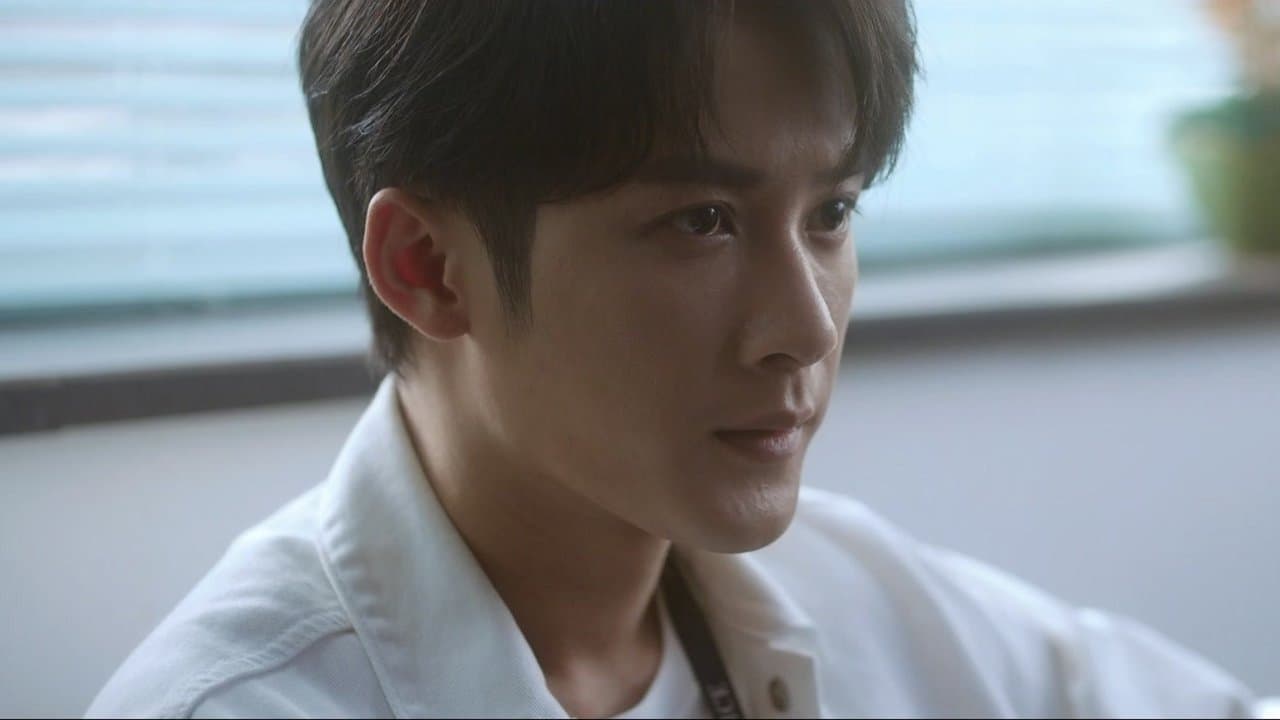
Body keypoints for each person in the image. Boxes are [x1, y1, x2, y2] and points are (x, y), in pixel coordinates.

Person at [88, 1, 1272, 717]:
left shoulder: (857, 598)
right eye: (700, 221)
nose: (804, 328)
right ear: (429, 268)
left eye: (832, 212)